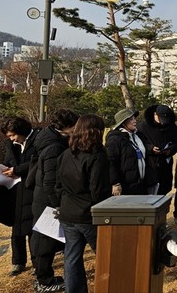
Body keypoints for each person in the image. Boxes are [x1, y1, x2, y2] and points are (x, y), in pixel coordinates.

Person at [54, 114, 111, 293]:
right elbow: (98, 191)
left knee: (72, 257)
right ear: (97, 132)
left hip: (68, 212)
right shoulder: (97, 156)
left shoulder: (65, 154)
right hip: (89, 214)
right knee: (105, 255)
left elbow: (58, 185)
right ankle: (110, 286)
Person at [30, 108, 79, 293]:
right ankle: (45, 281)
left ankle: (43, 276)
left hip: (43, 198)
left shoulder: (50, 139)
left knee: (44, 242)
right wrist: (57, 205)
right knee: (45, 243)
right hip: (47, 202)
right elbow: (50, 181)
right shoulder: (54, 147)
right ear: (66, 127)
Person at [0, 117, 41, 276]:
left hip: (33, 188)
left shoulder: (38, 140)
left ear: (22, 131)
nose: (11, 139)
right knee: (16, 228)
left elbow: (38, 162)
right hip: (16, 189)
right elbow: (8, 160)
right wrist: (4, 169)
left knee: (33, 228)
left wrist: (17, 170)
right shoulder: (11, 145)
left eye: (13, 135)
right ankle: (18, 261)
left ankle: (37, 263)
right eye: (9, 136)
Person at [105, 109, 158, 196]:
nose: (135, 121)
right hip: (126, 186)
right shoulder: (115, 139)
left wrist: (151, 149)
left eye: (134, 118)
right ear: (123, 123)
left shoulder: (138, 135)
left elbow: (144, 148)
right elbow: (111, 162)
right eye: (131, 119)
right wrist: (115, 183)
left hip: (142, 183)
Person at [136, 104, 177, 196]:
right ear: (155, 114)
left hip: (165, 163)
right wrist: (150, 148)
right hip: (150, 163)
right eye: (161, 119)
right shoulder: (142, 127)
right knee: (150, 190)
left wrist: (170, 150)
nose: (163, 123)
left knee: (164, 189)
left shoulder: (172, 126)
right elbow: (138, 143)